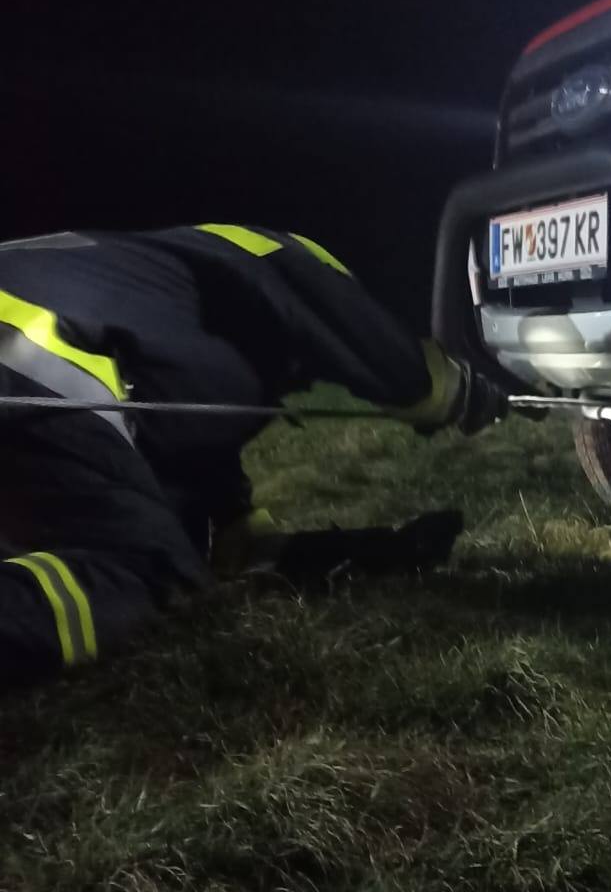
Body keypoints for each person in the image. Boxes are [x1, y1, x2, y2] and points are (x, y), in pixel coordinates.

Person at [0, 223, 505, 681]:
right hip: (28, 348)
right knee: (152, 574)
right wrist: (461, 389)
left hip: (30, 349)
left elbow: (188, 460)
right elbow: (389, 358)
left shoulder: (172, 303)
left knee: (152, 544)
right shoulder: (283, 256)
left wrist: (279, 543)